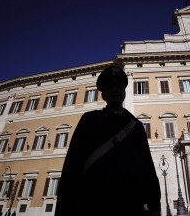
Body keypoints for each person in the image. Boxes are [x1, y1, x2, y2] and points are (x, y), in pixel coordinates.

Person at [55, 65, 161, 216]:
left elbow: (148, 167)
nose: (114, 89)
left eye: (119, 86)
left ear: (124, 92)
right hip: (93, 204)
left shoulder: (136, 125)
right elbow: (72, 165)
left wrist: (155, 207)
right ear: (103, 94)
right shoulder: (89, 120)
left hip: (131, 205)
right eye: (109, 86)